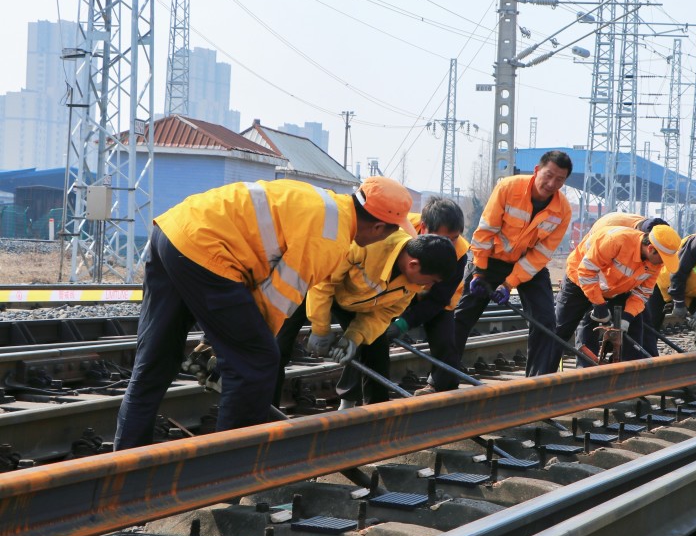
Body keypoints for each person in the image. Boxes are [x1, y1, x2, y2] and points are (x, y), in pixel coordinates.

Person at [115, 176, 410, 449]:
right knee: (258, 363)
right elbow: (275, 300)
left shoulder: (326, 204)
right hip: (206, 249)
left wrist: (220, 345)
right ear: (379, 228)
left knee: (156, 359)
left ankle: (124, 464)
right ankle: (229, 475)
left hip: (173, 230)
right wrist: (237, 354)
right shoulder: (331, 237)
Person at [276, 230, 456, 407]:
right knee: (277, 346)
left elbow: (383, 314)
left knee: (377, 350)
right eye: (431, 280)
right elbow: (324, 282)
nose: (429, 286)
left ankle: (377, 418)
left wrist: (353, 338)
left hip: (354, 300)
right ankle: (264, 418)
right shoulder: (370, 243)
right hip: (312, 283)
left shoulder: (411, 283)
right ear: (414, 265)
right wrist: (320, 328)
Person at [453, 150, 573, 377]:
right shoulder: (508, 188)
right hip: (490, 259)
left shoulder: (563, 210)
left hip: (527, 265)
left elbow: (541, 254)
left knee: (545, 321)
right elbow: (485, 232)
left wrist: (509, 284)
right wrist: (479, 271)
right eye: (548, 175)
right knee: (462, 316)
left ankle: (536, 384)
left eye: (559, 180)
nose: (551, 183)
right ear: (537, 170)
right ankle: (441, 380)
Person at [552, 224, 681, 371]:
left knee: (634, 326)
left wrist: (627, 317)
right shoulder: (616, 240)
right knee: (560, 331)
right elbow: (586, 272)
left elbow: (642, 293)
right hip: (578, 279)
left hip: (615, 289)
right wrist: (599, 305)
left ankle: (629, 377)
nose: (663, 264)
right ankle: (548, 375)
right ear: (651, 249)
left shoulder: (654, 262)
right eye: (663, 258)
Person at [385, 197, 470, 396]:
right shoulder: (399, 231)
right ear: (424, 228)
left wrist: (404, 323)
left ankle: (442, 387)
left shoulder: (459, 253)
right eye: (444, 238)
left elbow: (438, 300)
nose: (449, 246)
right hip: (396, 290)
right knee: (375, 336)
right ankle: (362, 391)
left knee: (445, 340)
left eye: (454, 238)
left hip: (434, 297)